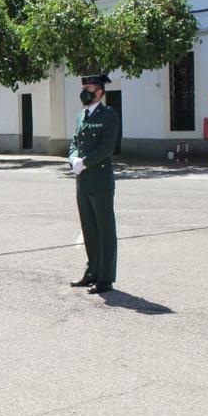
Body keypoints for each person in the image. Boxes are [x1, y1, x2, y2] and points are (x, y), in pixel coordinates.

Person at [68, 74, 121, 294]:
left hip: (99, 179)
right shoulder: (81, 116)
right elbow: (74, 142)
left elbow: (107, 147)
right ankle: (92, 271)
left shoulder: (108, 115)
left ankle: (105, 278)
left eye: (88, 88)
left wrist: (85, 162)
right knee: (89, 228)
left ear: (99, 91)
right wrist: (73, 159)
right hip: (83, 180)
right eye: (83, 87)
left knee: (105, 229)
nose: (84, 91)